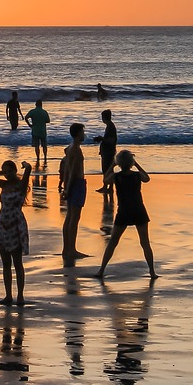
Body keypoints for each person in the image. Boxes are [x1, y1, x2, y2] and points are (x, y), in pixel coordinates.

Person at [94, 150, 157, 279]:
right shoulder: (136, 175)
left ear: (119, 163)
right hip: (138, 210)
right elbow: (147, 178)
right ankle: (152, 271)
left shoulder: (117, 176)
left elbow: (106, 179)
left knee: (113, 242)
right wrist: (137, 165)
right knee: (145, 243)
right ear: (131, 162)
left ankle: (101, 270)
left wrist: (112, 166)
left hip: (124, 211)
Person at [0, 160, 32, 306]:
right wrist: (1, 173)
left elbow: (28, 170)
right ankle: (8, 295)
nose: (7, 174)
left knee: (17, 263)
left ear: (15, 171)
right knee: (5, 263)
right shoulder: (4, 184)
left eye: (10, 171)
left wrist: (25, 165)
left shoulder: (21, 185)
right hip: (3, 224)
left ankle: (20, 296)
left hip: (16, 225)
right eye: (5, 171)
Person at [60, 123, 89, 259]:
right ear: (78, 134)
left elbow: (66, 169)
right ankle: (71, 249)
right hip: (77, 184)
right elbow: (72, 172)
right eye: (82, 132)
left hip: (72, 184)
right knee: (74, 218)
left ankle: (67, 249)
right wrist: (68, 188)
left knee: (69, 217)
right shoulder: (76, 149)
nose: (84, 134)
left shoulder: (70, 148)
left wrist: (65, 186)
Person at [94, 110, 117, 194]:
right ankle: (108, 187)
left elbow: (111, 140)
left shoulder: (110, 127)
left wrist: (101, 139)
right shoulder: (110, 126)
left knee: (107, 169)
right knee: (108, 169)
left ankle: (107, 187)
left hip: (108, 152)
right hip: (107, 151)